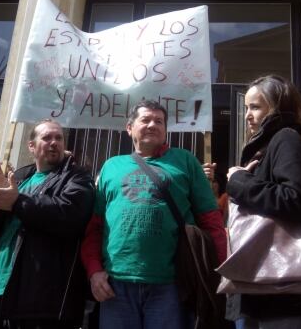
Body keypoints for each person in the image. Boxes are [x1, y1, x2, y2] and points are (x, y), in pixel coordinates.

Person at [81, 100, 226, 329]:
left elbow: (211, 221)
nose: (152, 125)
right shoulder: (111, 166)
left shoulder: (186, 161)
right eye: (145, 120)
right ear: (129, 128)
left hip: (172, 285)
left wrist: (219, 271)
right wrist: (94, 271)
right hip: (115, 284)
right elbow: (94, 228)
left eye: (159, 121)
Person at [0, 119, 95, 329]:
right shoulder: (18, 179)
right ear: (31, 146)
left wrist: (16, 201)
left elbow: (68, 214)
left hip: (42, 301)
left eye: (59, 138)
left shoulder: (77, 177)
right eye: (47, 137)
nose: (54, 142)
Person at [225, 75, 301, 328]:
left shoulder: (285, 138)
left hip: (279, 294)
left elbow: (296, 200)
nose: (247, 116)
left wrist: (239, 181)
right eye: (246, 108)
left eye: (255, 107)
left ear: (277, 107)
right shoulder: (262, 147)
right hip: (259, 288)